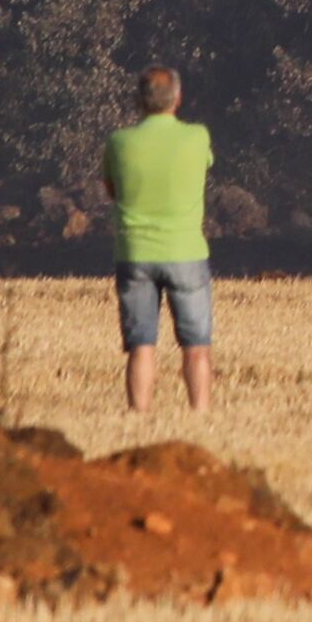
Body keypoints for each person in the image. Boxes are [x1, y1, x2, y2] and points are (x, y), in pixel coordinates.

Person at [102, 66, 216, 421]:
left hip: (135, 253)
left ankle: (139, 415)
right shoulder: (197, 137)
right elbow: (204, 169)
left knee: (141, 346)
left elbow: (111, 190)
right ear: (178, 99)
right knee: (196, 347)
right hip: (186, 252)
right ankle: (199, 414)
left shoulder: (119, 142)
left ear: (139, 100)